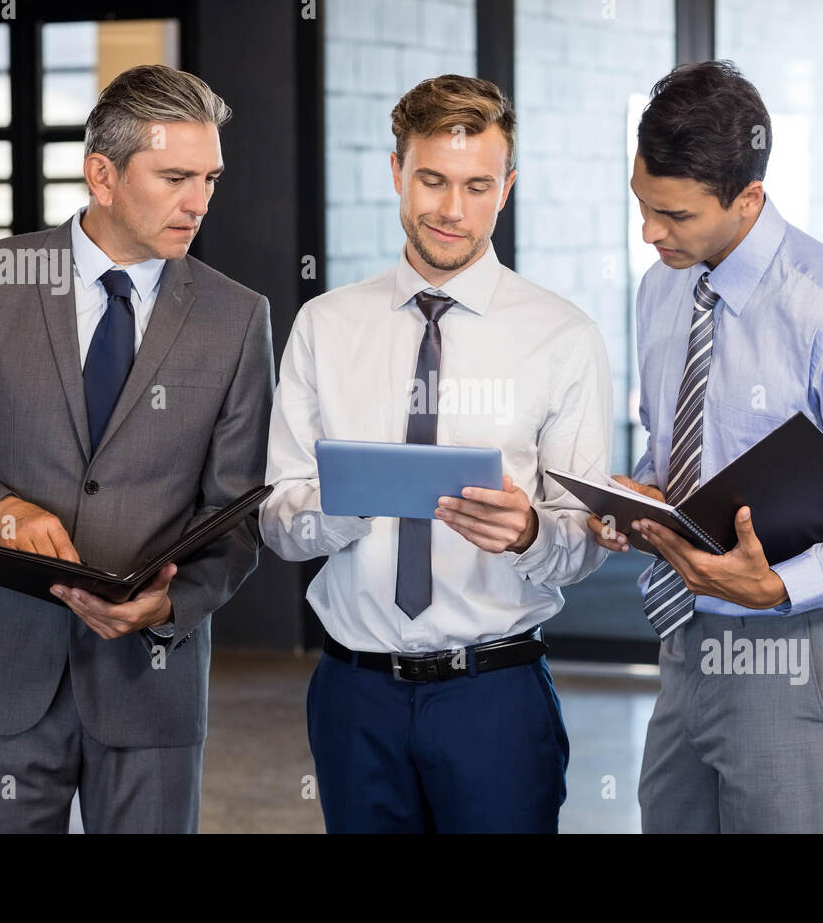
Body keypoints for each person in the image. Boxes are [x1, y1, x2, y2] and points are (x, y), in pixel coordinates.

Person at [0, 64, 274, 833]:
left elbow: (238, 512)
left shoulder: (237, 318)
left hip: (150, 685)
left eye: (211, 178)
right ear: (102, 174)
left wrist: (173, 604)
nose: (199, 203)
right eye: (176, 177)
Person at [589, 60, 823, 832]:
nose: (650, 233)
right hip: (687, 640)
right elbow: (675, 448)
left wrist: (781, 588)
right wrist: (643, 504)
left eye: (675, 215)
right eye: (642, 206)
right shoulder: (663, 286)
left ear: (747, 198)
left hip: (800, 652)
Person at [260, 74, 613, 833]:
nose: (452, 210)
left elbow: (584, 544)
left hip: (495, 696)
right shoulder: (324, 326)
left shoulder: (565, 337)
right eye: (432, 180)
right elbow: (278, 522)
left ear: (506, 188)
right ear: (397, 173)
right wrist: (339, 507)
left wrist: (530, 533)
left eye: (477, 185)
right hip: (355, 697)